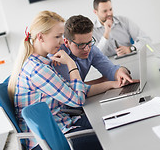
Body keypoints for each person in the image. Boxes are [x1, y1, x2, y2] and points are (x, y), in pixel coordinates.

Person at [8, 11, 121, 150]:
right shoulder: (38, 70)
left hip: (64, 125)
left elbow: (74, 90)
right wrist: (71, 64)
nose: (62, 41)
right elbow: (77, 99)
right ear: (40, 37)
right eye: (57, 36)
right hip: (54, 139)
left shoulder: (43, 63)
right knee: (115, 133)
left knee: (114, 120)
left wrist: (112, 84)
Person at [54, 14, 137, 86]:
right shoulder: (58, 56)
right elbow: (72, 89)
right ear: (67, 42)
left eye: (89, 42)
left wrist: (120, 72)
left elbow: (110, 70)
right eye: (81, 45)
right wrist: (103, 81)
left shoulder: (91, 48)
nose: (87, 49)